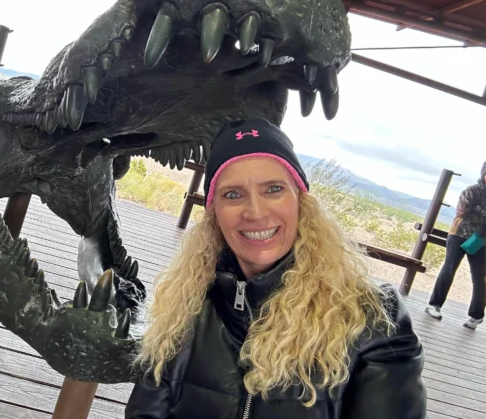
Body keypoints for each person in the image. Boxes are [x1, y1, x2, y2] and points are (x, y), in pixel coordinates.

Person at [125, 118, 427, 419]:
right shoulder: (183, 303)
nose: (255, 212)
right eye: (233, 194)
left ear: (301, 201)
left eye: (273, 189)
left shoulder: (373, 317)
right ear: (214, 212)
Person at [426, 162, 486, 329]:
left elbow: (473, 213)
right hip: (459, 234)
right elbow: (463, 212)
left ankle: (476, 316)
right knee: (449, 269)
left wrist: (479, 213)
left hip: (480, 239)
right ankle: (434, 305)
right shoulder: (471, 191)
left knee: (480, 277)